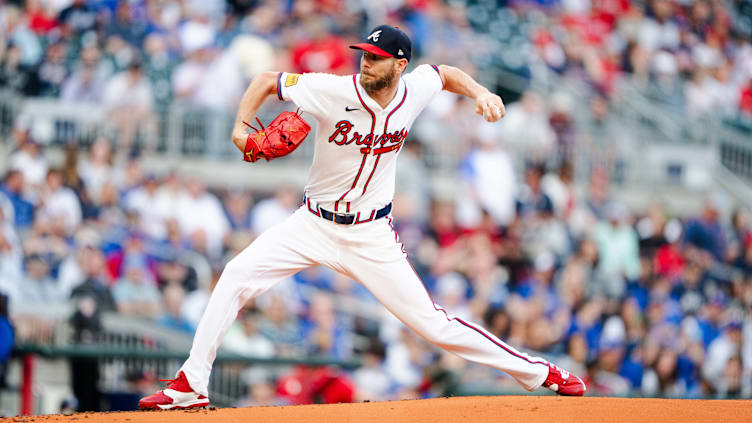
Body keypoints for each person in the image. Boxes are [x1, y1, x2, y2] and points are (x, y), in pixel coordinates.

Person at [139, 25, 585, 410]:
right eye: (364, 56)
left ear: (399, 65)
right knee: (235, 274)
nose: (365, 64)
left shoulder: (414, 89)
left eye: (375, 59)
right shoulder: (331, 90)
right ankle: (190, 384)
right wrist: (241, 126)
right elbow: (264, 80)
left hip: (371, 233)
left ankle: (539, 372)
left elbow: (445, 74)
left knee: (433, 325)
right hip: (311, 224)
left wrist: (482, 91)